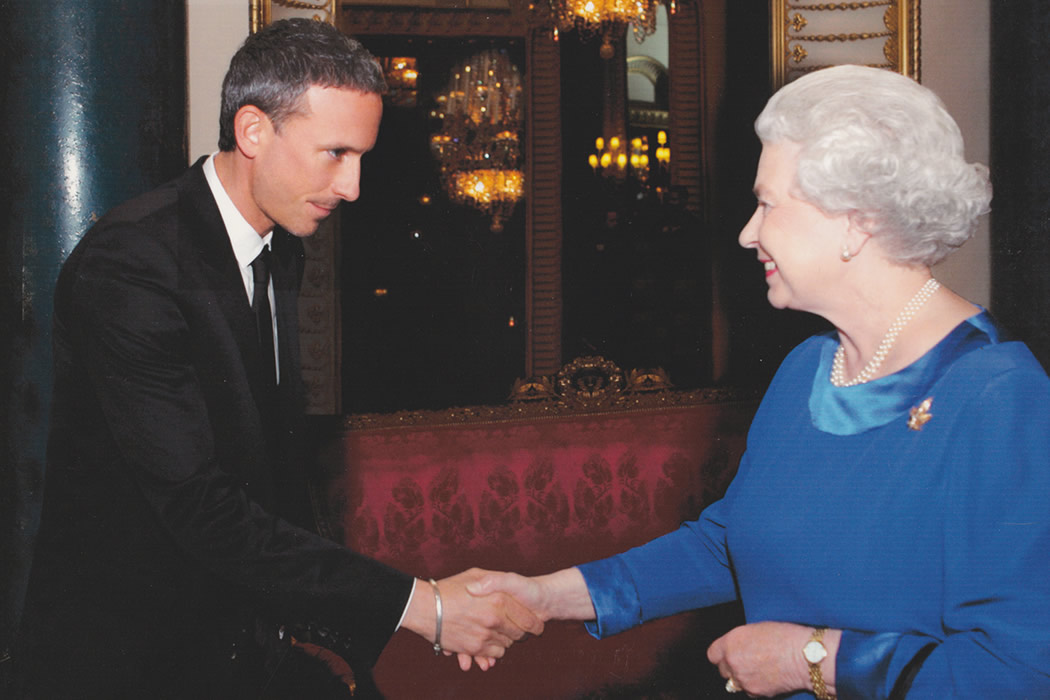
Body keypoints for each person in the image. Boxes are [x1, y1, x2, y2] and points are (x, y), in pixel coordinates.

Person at [469, 65, 1050, 698]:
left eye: (767, 204)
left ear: (855, 221)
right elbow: (730, 543)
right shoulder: (809, 368)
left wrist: (812, 660)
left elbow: (1019, 672)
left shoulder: (1001, 399)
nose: (749, 232)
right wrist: (546, 596)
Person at [14, 18, 539, 698]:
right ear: (253, 131)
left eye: (361, 157)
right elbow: (201, 507)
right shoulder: (131, 265)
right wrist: (423, 607)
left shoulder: (282, 248)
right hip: (127, 660)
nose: (352, 186)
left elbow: (269, 472)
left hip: (237, 645)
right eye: (335, 153)